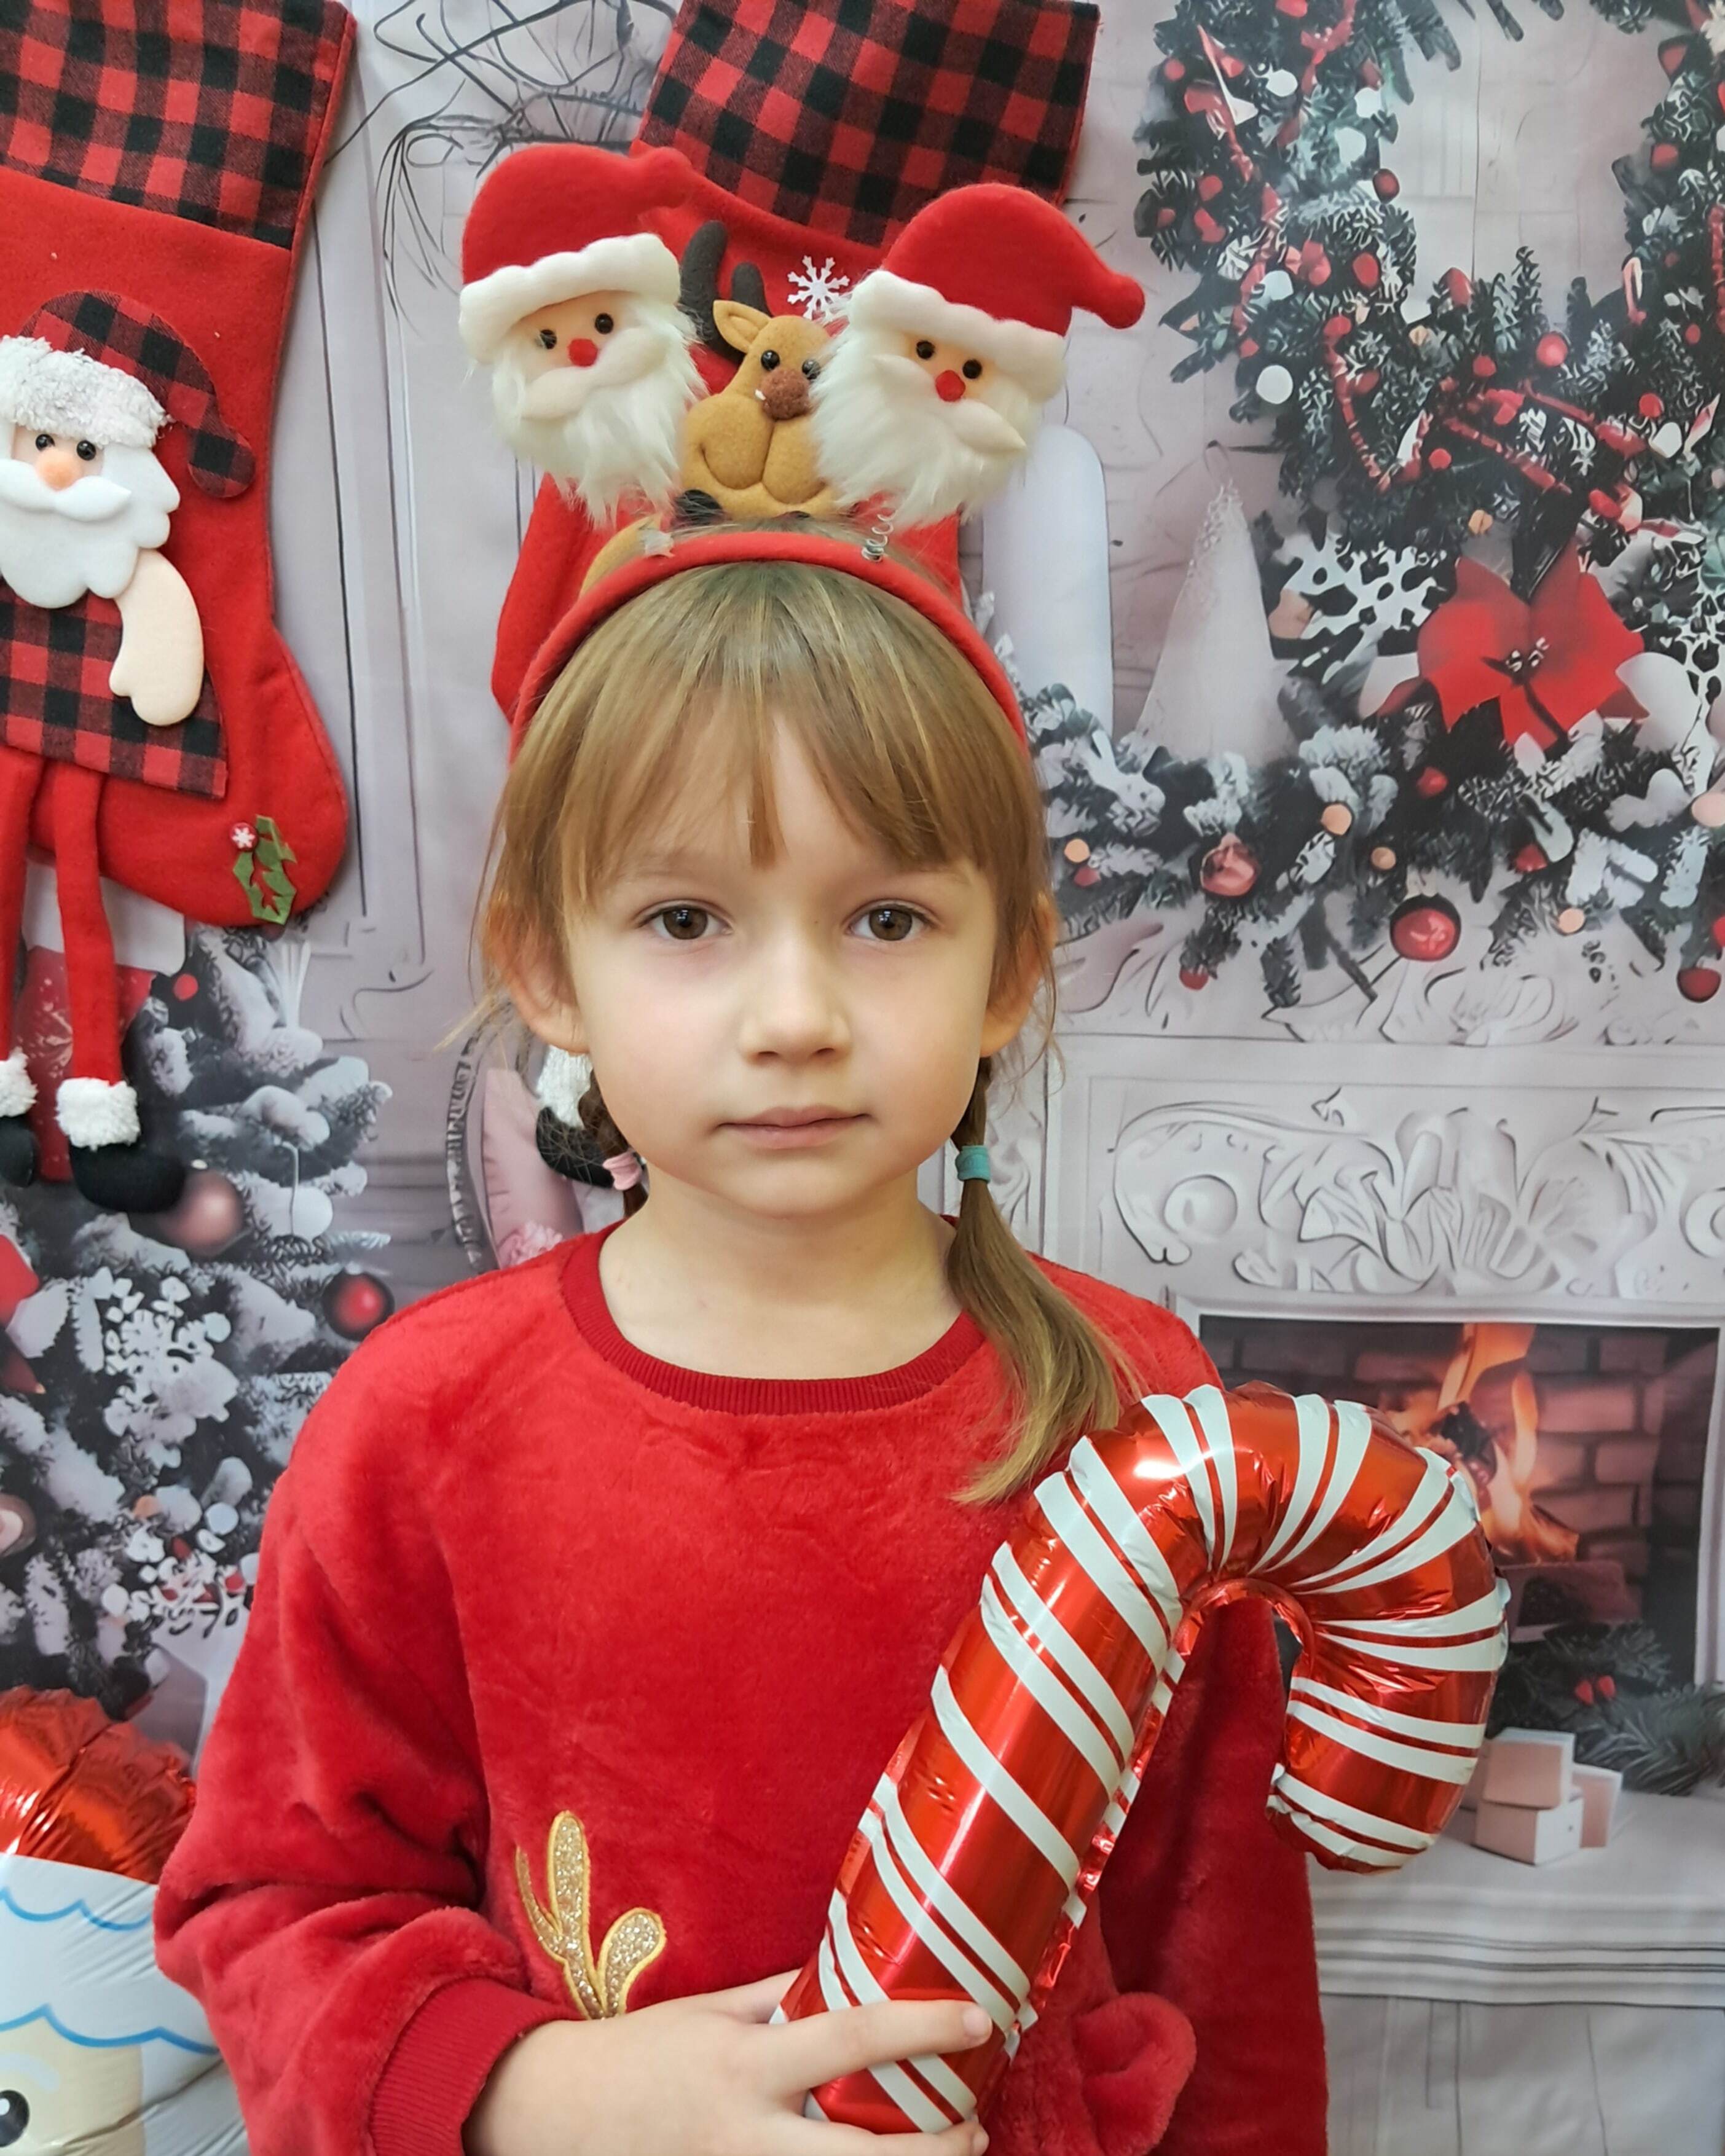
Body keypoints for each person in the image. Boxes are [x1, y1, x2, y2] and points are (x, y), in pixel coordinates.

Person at [155, 178, 1326, 2156]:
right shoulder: (424, 1429)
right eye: (688, 921)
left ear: (1007, 969)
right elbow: (266, 1904)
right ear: (549, 967)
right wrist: (542, 2087)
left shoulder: (1139, 1419)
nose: (795, 1016)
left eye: (886, 921)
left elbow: (1229, 1964)